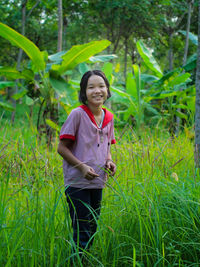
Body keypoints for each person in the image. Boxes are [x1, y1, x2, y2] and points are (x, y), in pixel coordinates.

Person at [57, 70, 116, 251]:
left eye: (101, 86)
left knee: (92, 227)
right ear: (84, 92)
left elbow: (107, 146)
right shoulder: (77, 114)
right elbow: (62, 147)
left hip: (98, 182)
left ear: (107, 90)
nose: (97, 91)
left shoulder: (109, 117)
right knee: (81, 230)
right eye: (91, 87)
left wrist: (109, 161)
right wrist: (81, 167)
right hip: (77, 183)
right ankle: (77, 261)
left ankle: (85, 259)